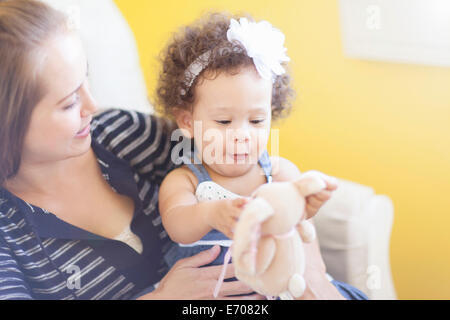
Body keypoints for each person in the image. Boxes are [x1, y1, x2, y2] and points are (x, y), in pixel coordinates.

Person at [0, 0, 364, 300]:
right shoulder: (9, 233)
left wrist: (308, 262)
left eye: (86, 81)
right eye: (68, 102)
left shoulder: (118, 133)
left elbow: (221, 136)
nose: (93, 106)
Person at [155, 13, 368, 300]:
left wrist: (308, 206)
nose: (242, 134)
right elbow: (178, 226)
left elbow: (297, 225)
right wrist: (210, 212)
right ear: (188, 122)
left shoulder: (280, 173)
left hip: (284, 289)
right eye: (224, 121)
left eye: (256, 121)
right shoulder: (185, 182)